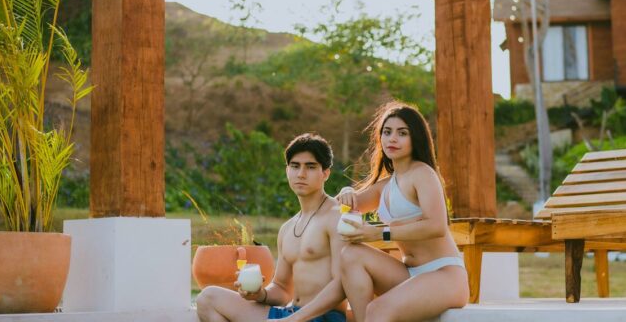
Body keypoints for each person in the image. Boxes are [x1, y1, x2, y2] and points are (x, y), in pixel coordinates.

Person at [336, 102, 468, 322]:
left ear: (415, 138)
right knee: (351, 254)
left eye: (402, 133)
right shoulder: (385, 186)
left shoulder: (423, 174)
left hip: (444, 275)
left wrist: (381, 233)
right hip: (408, 274)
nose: (392, 139)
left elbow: (436, 226)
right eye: (387, 132)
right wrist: (346, 191)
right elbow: (344, 206)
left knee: (377, 310)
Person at [197, 133, 348, 322]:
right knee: (208, 298)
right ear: (287, 170)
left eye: (310, 167)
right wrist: (260, 294)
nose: (301, 174)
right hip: (291, 313)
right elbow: (282, 289)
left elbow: (342, 284)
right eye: (295, 166)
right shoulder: (287, 228)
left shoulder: (335, 216)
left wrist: (293, 320)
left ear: (325, 173)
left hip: (323, 318)